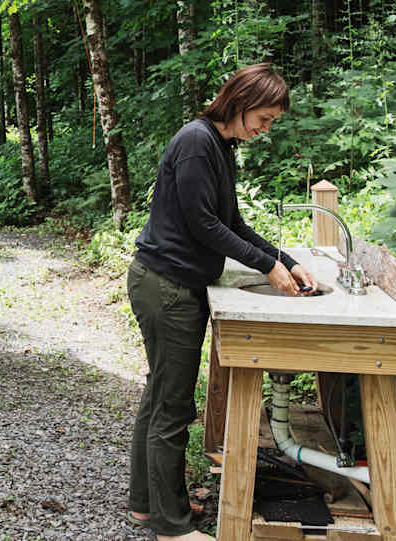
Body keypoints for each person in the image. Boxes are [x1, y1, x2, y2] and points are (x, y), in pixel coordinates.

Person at [126, 63, 316, 539]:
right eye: (265, 118)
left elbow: (231, 221)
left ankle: (148, 503)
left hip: (175, 285)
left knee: (160, 396)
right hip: (166, 287)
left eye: (272, 122)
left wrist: (284, 260)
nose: (265, 129)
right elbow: (202, 225)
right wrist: (266, 266)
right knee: (172, 406)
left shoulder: (220, 147)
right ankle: (170, 526)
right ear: (241, 101)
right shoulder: (196, 142)